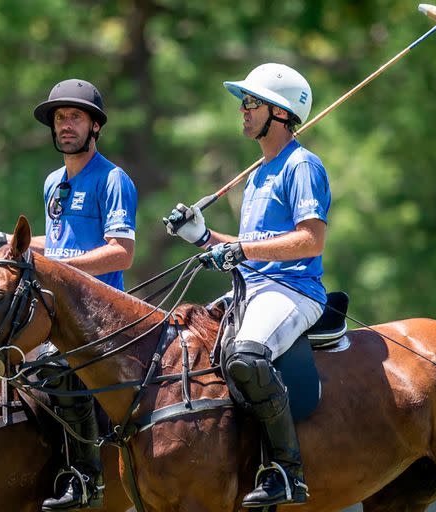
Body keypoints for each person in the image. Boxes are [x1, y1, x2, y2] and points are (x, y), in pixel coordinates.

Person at [0, 78, 137, 510]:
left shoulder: (113, 179)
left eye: (75, 117)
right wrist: (1, 240)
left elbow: (121, 253)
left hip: (99, 315)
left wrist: (56, 271)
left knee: (57, 368)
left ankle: (86, 478)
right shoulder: (54, 181)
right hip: (56, 312)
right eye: (59, 119)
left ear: (95, 126)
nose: (65, 126)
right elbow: (54, 247)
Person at [164, 63, 330, 508]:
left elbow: (309, 240)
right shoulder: (259, 173)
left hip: (293, 289)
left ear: (279, 113)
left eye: (251, 102)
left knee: (245, 356)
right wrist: (200, 235)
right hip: (251, 288)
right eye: (244, 102)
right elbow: (247, 245)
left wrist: (244, 252)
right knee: (177, 342)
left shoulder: (302, 165)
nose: (243, 110)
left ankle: (286, 471)